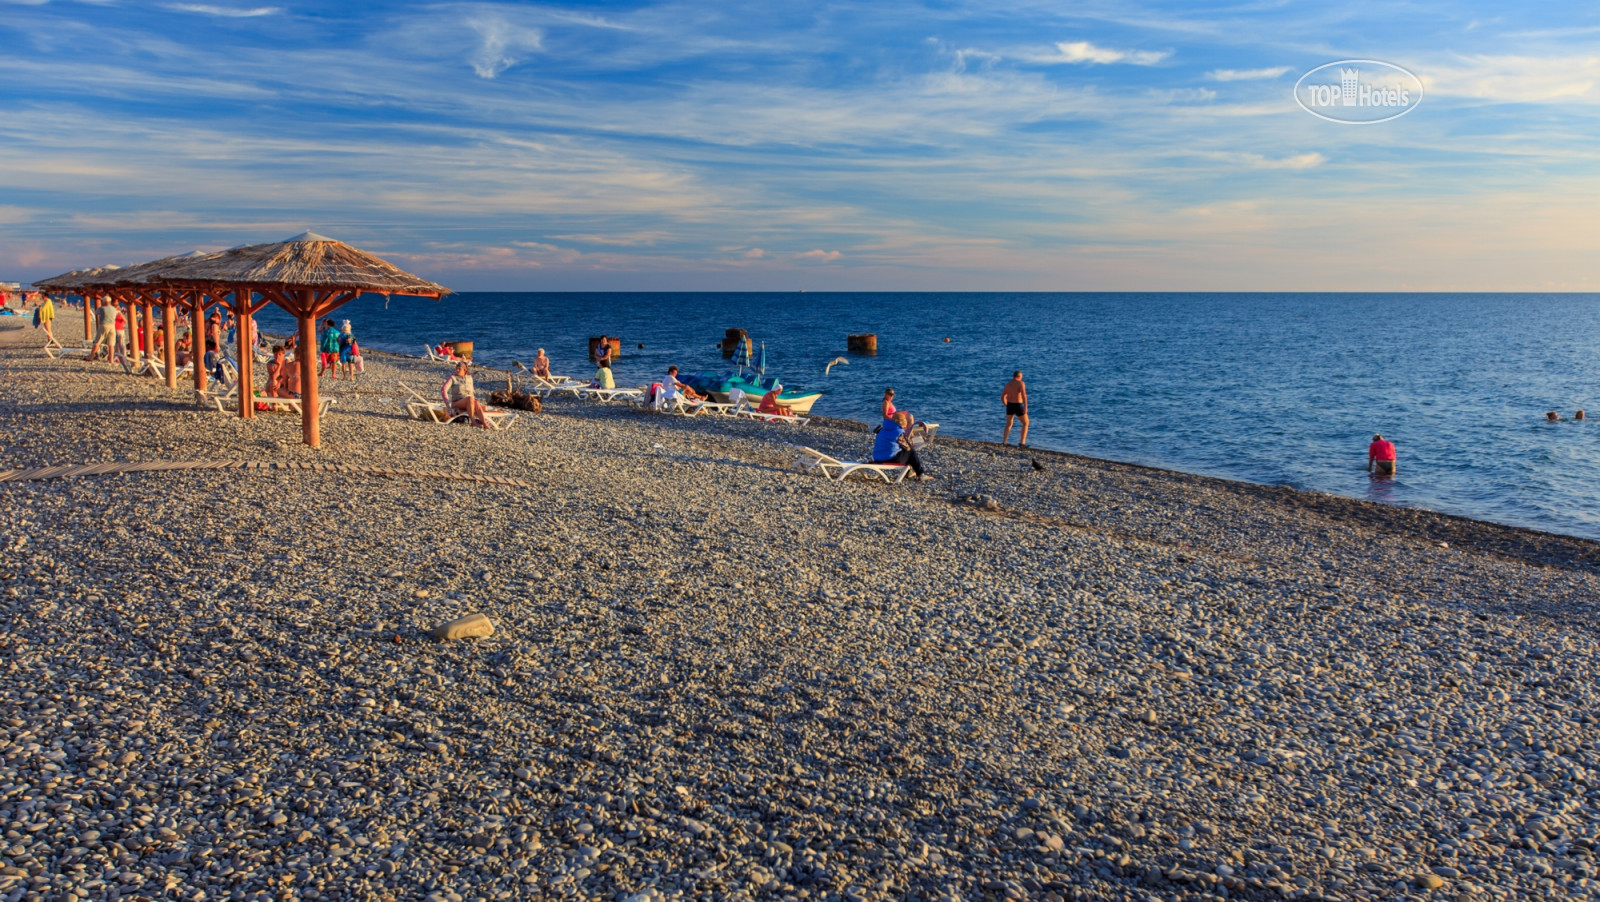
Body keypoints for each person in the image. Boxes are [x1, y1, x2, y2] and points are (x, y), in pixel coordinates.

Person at [873, 410, 932, 480]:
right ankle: (921, 474)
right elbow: (908, 448)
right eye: (904, 426)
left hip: (877, 458)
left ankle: (909, 472)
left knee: (903, 452)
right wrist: (913, 443)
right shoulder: (898, 432)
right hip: (889, 458)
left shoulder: (883, 429)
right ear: (902, 423)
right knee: (911, 452)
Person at [444, 362, 488, 427]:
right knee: (470, 399)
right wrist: (447, 404)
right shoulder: (453, 378)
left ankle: (484, 423)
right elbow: (443, 390)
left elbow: (472, 392)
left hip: (469, 402)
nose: (457, 370)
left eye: (459, 369)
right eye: (456, 368)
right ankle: (473, 422)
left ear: (465, 370)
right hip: (457, 402)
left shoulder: (469, 378)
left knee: (476, 402)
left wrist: (473, 402)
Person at [1002, 371, 1029, 446]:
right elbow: (1024, 395)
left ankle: (1004, 442)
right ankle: (1022, 442)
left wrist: (1006, 404)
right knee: (1025, 423)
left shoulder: (1008, 384)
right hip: (1018, 405)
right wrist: (1026, 407)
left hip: (1010, 404)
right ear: (1019, 376)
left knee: (1008, 424)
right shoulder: (1021, 383)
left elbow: (1003, 397)